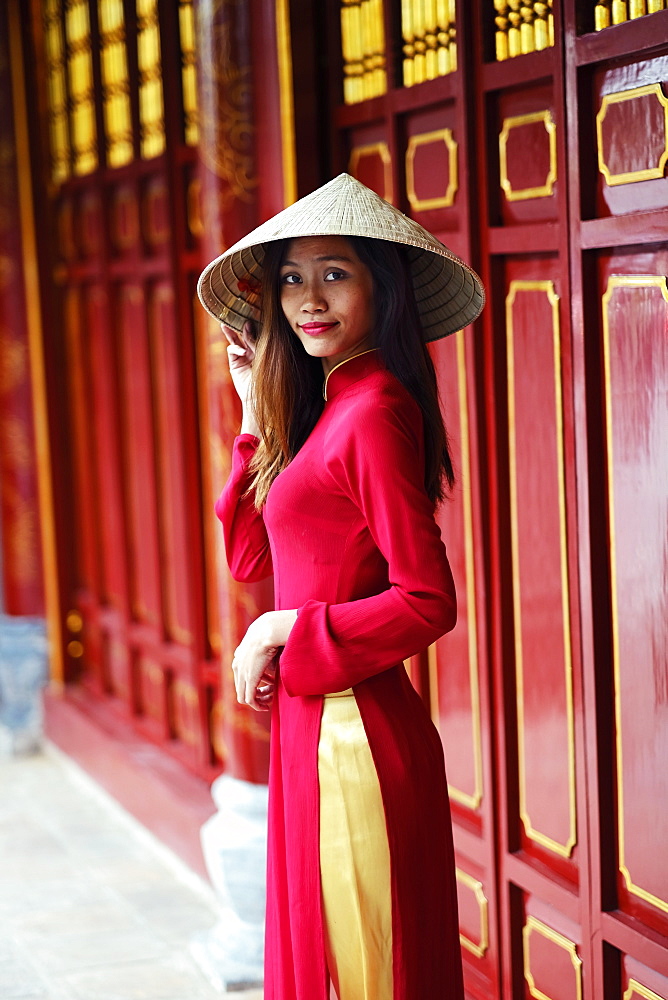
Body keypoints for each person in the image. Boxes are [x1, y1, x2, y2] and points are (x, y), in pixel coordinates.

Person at [197, 173, 485, 1000]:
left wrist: (280, 630)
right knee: (329, 960)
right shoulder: (329, 405)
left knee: (362, 971)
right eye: (292, 277)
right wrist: (253, 417)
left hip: (352, 735)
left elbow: (429, 598)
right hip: (313, 727)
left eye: (335, 273)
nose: (308, 298)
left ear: (381, 287)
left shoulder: (374, 411)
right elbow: (254, 559)